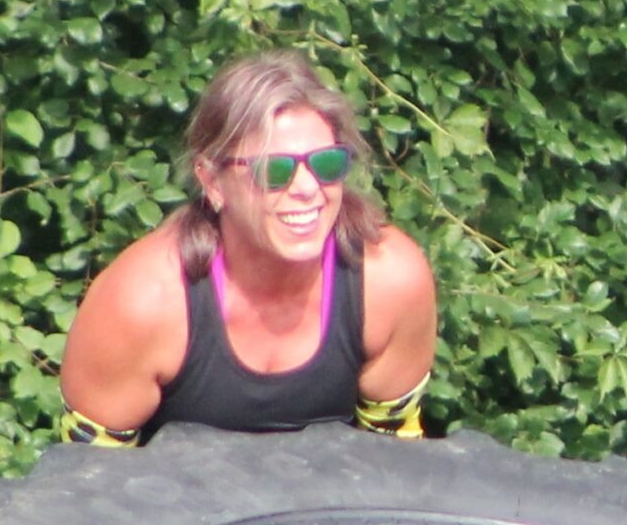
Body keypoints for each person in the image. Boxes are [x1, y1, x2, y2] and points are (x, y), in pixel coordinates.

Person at [57, 50, 438, 445]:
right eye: (275, 170)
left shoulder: (389, 279)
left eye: (326, 164)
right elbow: (91, 488)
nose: (307, 189)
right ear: (212, 181)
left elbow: (393, 465)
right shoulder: (140, 303)